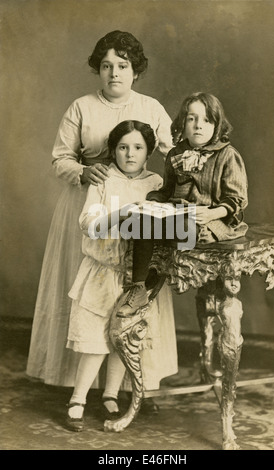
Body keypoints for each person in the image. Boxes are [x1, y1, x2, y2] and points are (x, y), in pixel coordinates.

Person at [26, 31, 177, 416]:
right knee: (89, 301)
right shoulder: (81, 107)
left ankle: (127, 388)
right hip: (91, 204)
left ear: (135, 71)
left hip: (139, 205)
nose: (114, 74)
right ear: (99, 69)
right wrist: (82, 170)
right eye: (107, 66)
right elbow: (60, 158)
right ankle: (75, 388)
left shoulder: (151, 107)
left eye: (122, 66)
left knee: (132, 297)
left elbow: (177, 155)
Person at [66, 119, 175, 431]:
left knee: (123, 335)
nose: (130, 154)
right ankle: (78, 399)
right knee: (94, 340)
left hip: (134, 277)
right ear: (113, 151)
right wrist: (119, 216)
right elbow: (87, 222)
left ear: (148, 152)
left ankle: (110, 394)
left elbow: (164, 223)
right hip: (102, 271)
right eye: (123, 148)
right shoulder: (103, 180)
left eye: (138, 148)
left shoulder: (155, 183)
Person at [117, 92, 248, 317]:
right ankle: (138, 287)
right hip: (177, 214)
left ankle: (153, 266)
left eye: (207, 120)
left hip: (211, 219)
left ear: (217, 125)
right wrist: (150, 203)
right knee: (139, 221)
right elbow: (167, 191)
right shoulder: (176, 154)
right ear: (182, 123)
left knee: (184, 228)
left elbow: (235, 201)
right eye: (191, 119)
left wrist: (211, 214)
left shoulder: (227, 155)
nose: (198, 126)